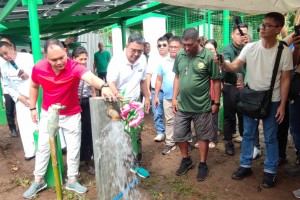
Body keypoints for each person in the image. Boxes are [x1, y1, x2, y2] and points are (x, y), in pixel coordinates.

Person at [23, 39, 115, 199]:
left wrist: (104, 86)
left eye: (61, 57)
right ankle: (38, 180)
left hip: (72, 113)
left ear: (66, 52)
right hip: (49, 112)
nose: (59, 62)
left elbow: (90, 77)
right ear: (46, 56)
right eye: (54, 59)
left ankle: (72, 179)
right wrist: (32, 108)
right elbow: (33, 86)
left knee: (73, 148)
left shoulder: (75, 67)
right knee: (43, 147)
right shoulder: (38, 68)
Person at [220, 12, 292, 188]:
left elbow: (285, 80)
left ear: (278, 29)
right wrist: (222, 62)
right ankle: (245, 165)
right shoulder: (250, 47)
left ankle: (270, 171)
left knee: (270, 137)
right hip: (250, 97)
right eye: (262, 24)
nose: (262, 27)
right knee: (248, 135)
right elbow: (233, 66)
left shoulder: (283, 51)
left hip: (272, 100)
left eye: (268, 25)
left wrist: (282, 105)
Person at [172, 28, 221, 181]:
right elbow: (177, 77)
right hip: (183, 105)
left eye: (190, 45)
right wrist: (174, 98)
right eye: (184, 45)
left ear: (198, 41)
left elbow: (217, 80)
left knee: (203, 136)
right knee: (179, 135)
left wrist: (216, 102)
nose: (187, 48)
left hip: (202, 106)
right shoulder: (180, 54)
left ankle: (202, 164)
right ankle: (186, 160)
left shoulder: (208, 56)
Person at [107, 33, 150, 178]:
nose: (136, 54)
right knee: (120, 133)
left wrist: (148, 97)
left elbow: (143, 80)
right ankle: (120, 164)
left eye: (140, 51)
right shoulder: (116, 61)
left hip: (135, 101)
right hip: (118, 101)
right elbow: (110, 82)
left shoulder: (143, 59)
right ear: (127, 46)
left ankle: (136, 164)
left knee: (135, 133)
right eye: (133, 50)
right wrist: (119, 97)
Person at [0, 41, 36, 159]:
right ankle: (30, 151)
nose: (5, 57)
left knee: (37, 123)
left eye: (5, 53)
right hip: (21, 99)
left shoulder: (28, 58)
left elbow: (38, 74)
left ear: (12, 47)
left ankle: (43, 148)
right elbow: (6, 85)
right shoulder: (4, 66)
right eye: (2, 55)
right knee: (24, 125)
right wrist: (18, 97)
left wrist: (27, 75)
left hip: (35, 96)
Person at [221, 23, 248, 156]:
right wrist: (245, 51)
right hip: (230, 86)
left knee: (244, 115)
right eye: (239, 34)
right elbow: (228, 65)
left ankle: (245, 141)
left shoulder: (249, 47)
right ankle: (229, 142)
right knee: (229, 116)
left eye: (244, 34)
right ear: (232, 35)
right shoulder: (227, 49)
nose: (242, 37)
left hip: (245, 87)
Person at [154, 36, 182, 155]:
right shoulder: (163, 63)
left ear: (181, 47)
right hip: (167, 97)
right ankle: (170, 143)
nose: (173, 49)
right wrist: (155, 96)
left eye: (176, 47)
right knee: (170, 120)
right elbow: (159, 80)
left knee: (184, 120)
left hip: (183, 98)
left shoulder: (185, 61)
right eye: (171, 47)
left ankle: (185, 142)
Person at [72, 47, 96, 175]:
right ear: (73, 59)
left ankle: (87, 162)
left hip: (87, 104)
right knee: (76, 134)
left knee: (88, 133)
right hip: (74, 104)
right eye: (80, 59)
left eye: (85, 59)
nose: (83, 62)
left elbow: (92, 90)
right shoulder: (70, 72)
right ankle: (76, 165)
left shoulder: (89, 72)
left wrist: (94, 100)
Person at [146, 36, 169, 142]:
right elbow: (148, 74)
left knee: (171, 114)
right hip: (156, 91)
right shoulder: (153, 58)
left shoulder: (172, 57)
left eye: (164, 45)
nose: (162, 47)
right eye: (159, 45)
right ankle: (160, 132)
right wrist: (147, 93)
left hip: (169, 91)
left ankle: (171, 134)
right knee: (157, 112)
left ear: (168, 45)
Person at [204, 39, 220, 149]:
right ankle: (204, 139)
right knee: (203, 117)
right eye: (206, 49)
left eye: (211, 49)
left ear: (215, 50)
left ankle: (213, 139)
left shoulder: (219, 62)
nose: (209, 51)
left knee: (213, 116)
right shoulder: (202, 59)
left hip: (214, 93)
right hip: (204, 93)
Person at [0, 38, 17, 137]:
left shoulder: (16, 57)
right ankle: (13, 129)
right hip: (8, 90)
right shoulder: (1, 59)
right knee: (9, 110)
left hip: (20, 90)